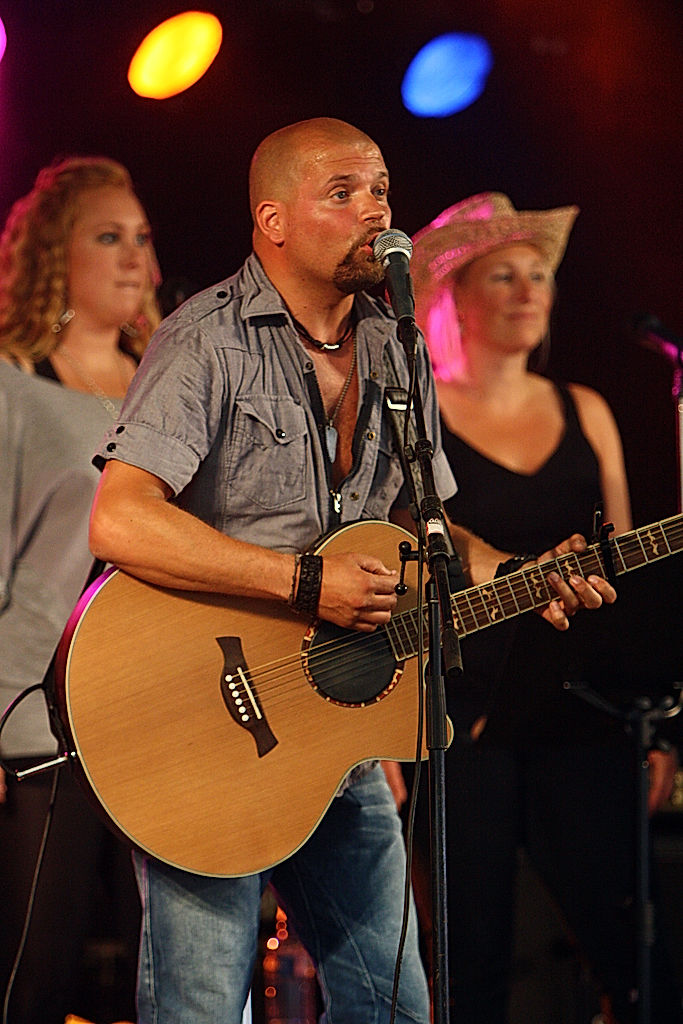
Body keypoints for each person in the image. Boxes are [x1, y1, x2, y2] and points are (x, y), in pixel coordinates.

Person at [87, 119, 616, 1024]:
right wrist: (301, 583)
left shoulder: (395, 347)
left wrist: (524, 574)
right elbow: (120, 517)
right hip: (205, 720)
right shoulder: (205, 338)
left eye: (379, 191)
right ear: (274, 220)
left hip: (336, 734)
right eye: (343, 193)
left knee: (395, 1007)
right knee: (201, 1009)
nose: (375, 211)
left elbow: (425, 528)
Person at [407, 192, 682, 1023]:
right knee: (470, 958)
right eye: (504, 276)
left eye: (539, 275)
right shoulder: (415, 415)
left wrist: (656, 720)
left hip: (580, 712)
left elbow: (628, 581)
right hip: (458, 717)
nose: (529, 291)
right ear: (454, 297)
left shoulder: (585, 409)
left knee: (632, 952)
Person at [0, 155, 161, 1024]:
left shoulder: (172, 386)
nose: (134, 256)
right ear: (53, 253)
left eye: (141, 237)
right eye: (109, 236)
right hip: (38, 722)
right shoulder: (11, 383)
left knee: (167, 976)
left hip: (160, 718)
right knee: (39, 975)